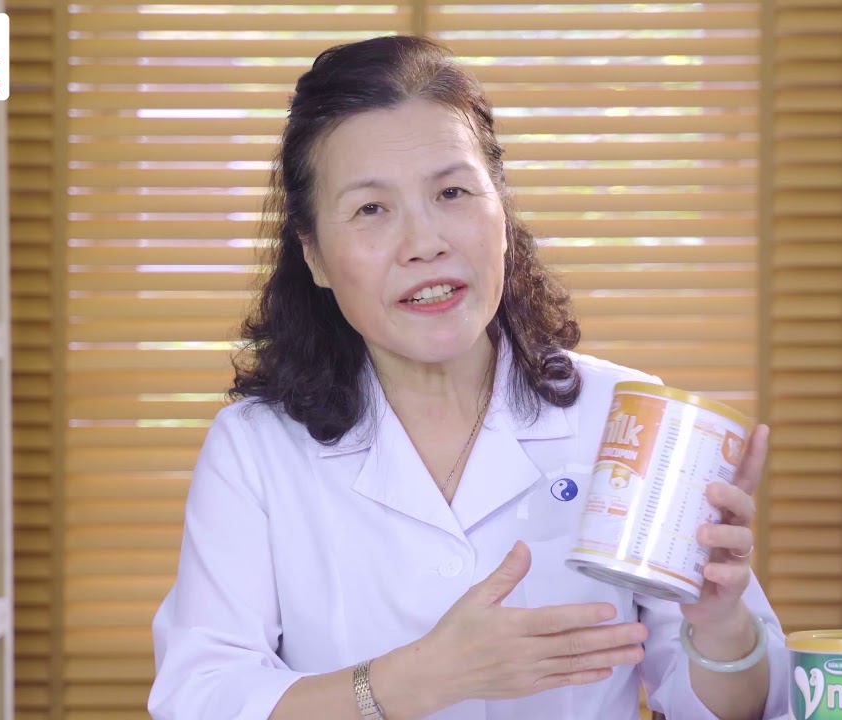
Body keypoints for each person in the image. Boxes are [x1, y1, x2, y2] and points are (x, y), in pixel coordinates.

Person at [147, 35, 789, 720]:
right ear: (315, 257)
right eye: (371, 209)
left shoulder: (624, 416)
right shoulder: (256, 449)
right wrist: (422, 677)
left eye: (452, 192)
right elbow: (200, 698)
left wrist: (719, 626)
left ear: (501, 213)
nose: (425, 243)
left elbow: (742, 707)